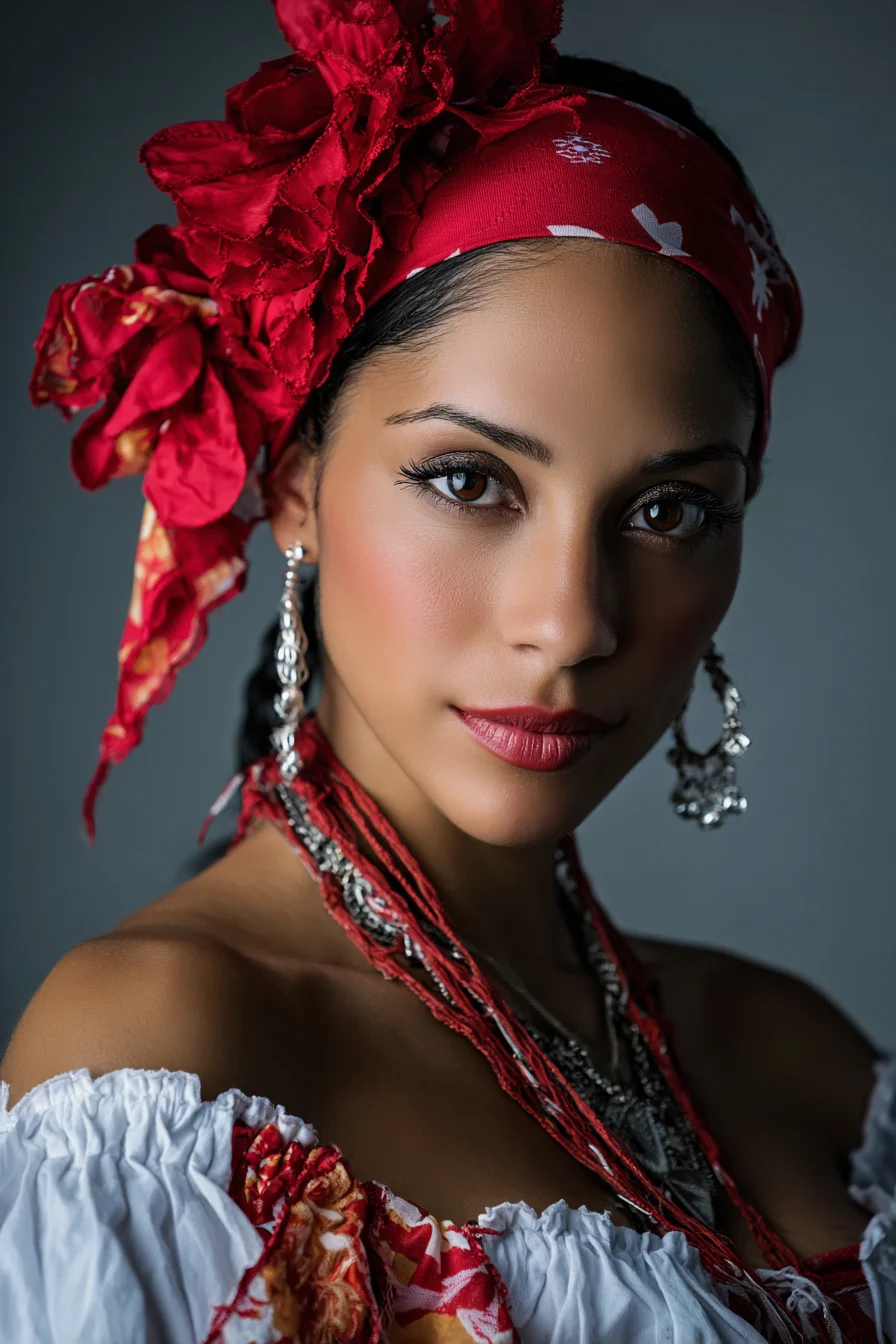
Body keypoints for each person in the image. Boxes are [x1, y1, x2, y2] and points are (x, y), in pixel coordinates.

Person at [1, 1, 891, 1340]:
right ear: (295, 487)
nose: (572, 622)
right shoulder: (167, 1061)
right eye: (470, 481)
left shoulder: (800, 1056)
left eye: (670, 511)